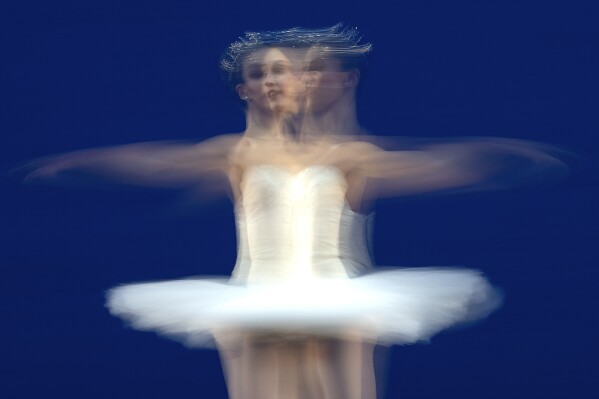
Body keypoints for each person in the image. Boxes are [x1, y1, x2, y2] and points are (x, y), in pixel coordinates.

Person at [20, 25, 567, 399]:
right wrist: (82, 165)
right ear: (244, 90)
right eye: (259, 74)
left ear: (305, 85)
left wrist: (494, 162)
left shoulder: (348, 155)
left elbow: (430, 168)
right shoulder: (233, 153)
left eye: (283, 70)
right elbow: (155, 164)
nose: (273, 81)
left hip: (337, 297)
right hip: (256, 298)